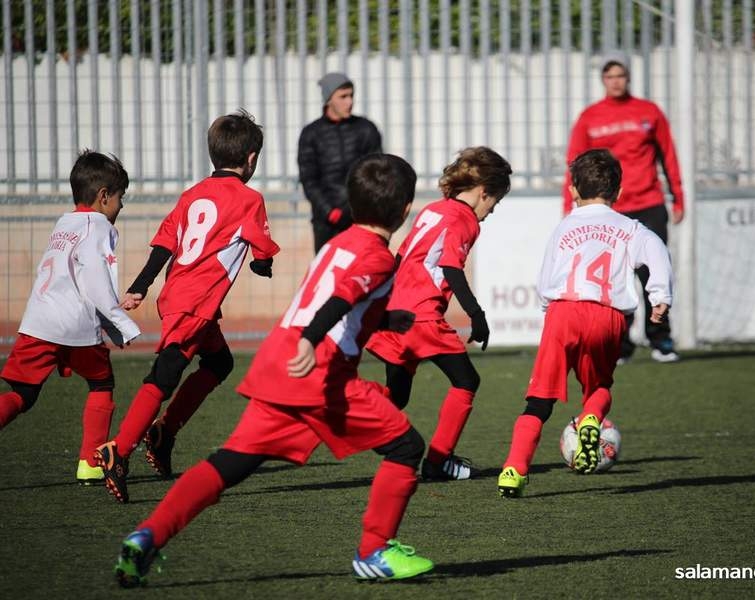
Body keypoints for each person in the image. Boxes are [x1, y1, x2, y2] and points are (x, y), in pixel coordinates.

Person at [112, 154, 434, 587]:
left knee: (230, 463)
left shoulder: (338, 244)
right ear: (406, 209)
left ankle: (147, 535)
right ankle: (374, 551)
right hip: (319, 372)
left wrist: (386, 321)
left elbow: (343, 300)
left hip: (278, 365)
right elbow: (336, 301)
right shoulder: (377, 256)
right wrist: (312, 338)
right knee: (407, 448)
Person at [95, 110, 280, 503]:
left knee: (219, 363)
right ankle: (119, 449)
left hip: (180, 295)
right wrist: (263, 265)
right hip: (196, 302)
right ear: (250, 159)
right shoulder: (250, 199)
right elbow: (262, 251)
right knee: (165, 373)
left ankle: (163, 433)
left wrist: (140, 286)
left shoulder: (192, 194)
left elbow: (165, 242)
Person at [498, 149, 673, 497]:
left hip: (564, 312)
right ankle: (590, 418)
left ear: (574, 190)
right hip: (608, 316)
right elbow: (657, 252)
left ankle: (513, 471)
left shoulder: (564, 227)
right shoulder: (630, 228)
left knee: (538, 402)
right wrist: (659, 296)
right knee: (598, 388)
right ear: (619, 193)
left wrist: (549, 307)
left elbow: (547, 277)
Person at [366, 146, 512, 481]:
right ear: (483, 192)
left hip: (395, 311)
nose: (491, 211)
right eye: (494, 202)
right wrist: (477, 315)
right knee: (466, 381)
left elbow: (401, 258)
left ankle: (346, 403)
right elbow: (450, 267)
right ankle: (437, 463)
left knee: (396, 396)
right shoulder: (464, 220)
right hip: (421, 315)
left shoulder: (433, 209)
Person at [0, 150, 140, 484]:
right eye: (120, 198)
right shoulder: (99, 226)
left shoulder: (64, 223)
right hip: (74, 327)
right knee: (101, 382)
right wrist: (122, 323)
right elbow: (94, 278)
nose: (121, 207)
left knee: (23, 395)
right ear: (104, 197)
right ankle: (90, 463)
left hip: (38, 321)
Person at [564, 51, 683, 363]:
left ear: (627, 78)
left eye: (620, 75)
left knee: (653, 271)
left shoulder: (648, 112)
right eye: (610, 76)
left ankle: (660, 338)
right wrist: (571, 207)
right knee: (616, 277)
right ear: (603, 80)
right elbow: (574, 164)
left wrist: (678, 196)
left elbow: (668, 156)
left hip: (650, 203)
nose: (616, 81)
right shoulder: (590, 117)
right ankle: (620, 343)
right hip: (610, 209)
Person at [298, 72, 383, 252]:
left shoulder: (366, 130)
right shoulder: (311, 134)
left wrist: (361, 210)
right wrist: (329, 211)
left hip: (362, 221)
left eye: (351, 95)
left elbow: (376, 173)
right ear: (328, 99)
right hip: (326, 222)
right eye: (343, 96)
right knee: (328, 275)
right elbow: (309, 179)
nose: (349, 101)